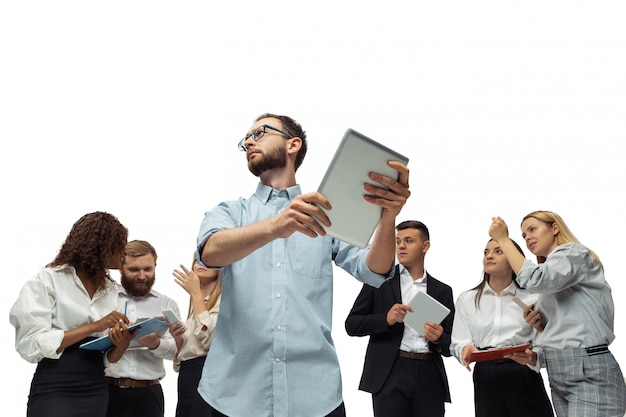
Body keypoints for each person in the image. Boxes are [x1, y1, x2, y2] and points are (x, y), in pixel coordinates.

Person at [196, 113, 410, 417]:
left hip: (315, 398)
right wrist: (276, 226)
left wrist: (388, 217)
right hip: (233, 397)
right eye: (246, 140)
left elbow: (374, 270)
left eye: (259, 133)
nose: (248, 142)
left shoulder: (326, 214)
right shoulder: (229, 212)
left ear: (293, 144)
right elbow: (210, 251)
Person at [488, 211, 626, 417]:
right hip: (559, 373)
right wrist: (537, 350)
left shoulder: (574, 253)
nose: (527, 238)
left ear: (554, 228)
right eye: (524, 235)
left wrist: (503, 239)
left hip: (587, 371)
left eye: (532, 229)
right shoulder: (552, 280)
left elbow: (533, 280)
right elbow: (568, 332)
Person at [9, 211, 130, 417]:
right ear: (100, 245)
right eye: (119, 244)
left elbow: (109, 362)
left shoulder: (112, 291)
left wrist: (122, 343)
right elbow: (30, 343)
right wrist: (95, 326)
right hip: (55, 384)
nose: (124, 252)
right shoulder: (48, 280)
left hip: (96, 385)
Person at [344, 220, 454, 417]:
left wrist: (439, 338)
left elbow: (451, 345)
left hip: (430, 374)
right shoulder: (378, 280)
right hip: (390, 372)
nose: (401, 246)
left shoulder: (442, 291)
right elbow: (352, 325)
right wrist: (385, 319)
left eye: (409, 241)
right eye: (397, 241)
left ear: (425, 246)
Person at [450, 238, 554, 417]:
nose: (489, 256)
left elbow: (546, 344)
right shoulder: (467, 299)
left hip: (523, 371)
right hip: (486, 374)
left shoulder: (534, 298)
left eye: (498, 251)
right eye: (486, 252)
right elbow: (458, 342)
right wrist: (464, 350)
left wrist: (533, 357)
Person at [105, 240, 181, 417]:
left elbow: (178, 353)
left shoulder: (166, 304)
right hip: (107, 391)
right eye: (134, 270)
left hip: (148, 395)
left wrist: (155, 343)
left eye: (148, 269)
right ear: (121, 268)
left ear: (155, 266)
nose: (141, 276)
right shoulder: (105, 300)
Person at [169, 254, 221, 417]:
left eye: (209, 260)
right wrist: (179, 339)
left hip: (207, 373)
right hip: (188, 376)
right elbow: (188, 353)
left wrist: (196, 293)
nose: (201, 263)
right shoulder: (197, 302)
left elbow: (208, 340)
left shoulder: (225, 299)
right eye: (197, 259)